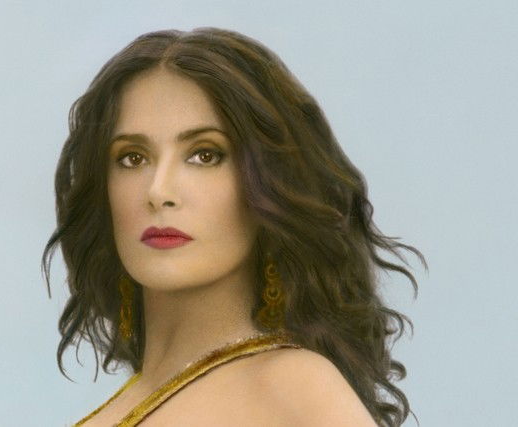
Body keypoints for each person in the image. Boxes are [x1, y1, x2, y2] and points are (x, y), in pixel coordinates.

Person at [42, 27, 426, 427]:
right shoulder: (126, 404)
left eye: (205, 155)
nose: (158, 191)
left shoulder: (294, 386)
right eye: (132, 158)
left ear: (270, 183)